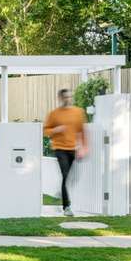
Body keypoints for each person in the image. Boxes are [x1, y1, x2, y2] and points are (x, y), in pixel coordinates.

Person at [43, 89, 88, 217]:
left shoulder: (78, 112)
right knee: (65, 174)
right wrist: (56, 130)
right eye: (65, 97)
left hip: (72, 148)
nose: (68, 99)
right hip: (59, 148)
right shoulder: (54, 114)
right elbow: (45, 131)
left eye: (69, 97)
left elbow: (82, 131)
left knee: (70, 177)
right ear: (60, 98)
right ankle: (66, 207)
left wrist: (83, 147)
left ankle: (62, 191)